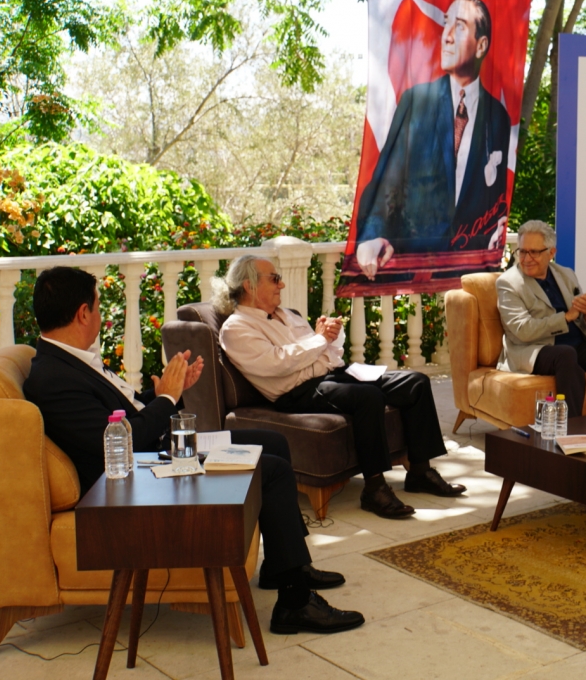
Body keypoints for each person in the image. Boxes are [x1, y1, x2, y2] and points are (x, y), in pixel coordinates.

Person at [22, 267, 364, 636]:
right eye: (99, 307)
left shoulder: (68, 361)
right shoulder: (55, 378)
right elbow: (125, 442)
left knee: (272, 442)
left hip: (154, 455)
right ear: (82, 313)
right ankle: (295, 602)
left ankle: (283, 566)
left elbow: (123, 417)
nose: (101, 316)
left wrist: (167, 392)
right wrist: (167, 399)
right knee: (272, 470)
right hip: (141, 478)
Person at [215, 255, 466, 520]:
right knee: (367, 396)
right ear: (250, 285)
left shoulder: (287, 315)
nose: (282, 284)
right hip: (297, 392)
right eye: (275, 279)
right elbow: (278, 364)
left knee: (415, 382)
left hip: (330, 375)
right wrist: (318, 341)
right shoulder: (237, 328)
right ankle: (374, 489)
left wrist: (326, 339)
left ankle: (420, 472)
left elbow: (326, 356)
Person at [354, 0, 511, 280]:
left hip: (470, 274)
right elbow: (387, 183)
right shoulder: (416, 102)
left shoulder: (498, 117)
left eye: (459, 26)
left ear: (481, 45)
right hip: (415, 271)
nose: (446, 36)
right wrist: (372, 236)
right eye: (446, 23)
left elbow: (494, 199)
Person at [496, 220, 586, 419]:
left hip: (575, 347)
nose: (526, 259)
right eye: (523, 251)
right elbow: (522, 330)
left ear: (551, 253)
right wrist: (566, 317)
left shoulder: (566, 274)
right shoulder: (508, 283)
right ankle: (571, 428)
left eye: (534, 252)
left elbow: (584, 326)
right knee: (565, 354)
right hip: (534, 349)